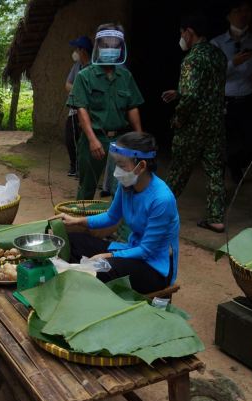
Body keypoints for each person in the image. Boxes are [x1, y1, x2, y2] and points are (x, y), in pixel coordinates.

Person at [55, 132, 179, 294]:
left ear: (141, 166)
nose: (117, 171)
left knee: (103, 268)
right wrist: (76, 221)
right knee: (70, 242)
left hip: (154, 267)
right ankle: (70, 286)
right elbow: (111, 216)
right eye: (116, 165)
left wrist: (108, 255)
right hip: (130, 249)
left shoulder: (162, 199)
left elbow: (147, 250)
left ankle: (83, 298)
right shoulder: (127, 185)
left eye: (122, 165)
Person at [162, 13, 227, 233]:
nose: (181, 38)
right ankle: (216, 217)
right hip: (215, 123)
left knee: (178, 171)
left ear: (188, 32)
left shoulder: (192, 59)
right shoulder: (219, 56)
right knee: (215, 171)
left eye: (182, 33)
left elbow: (191, 96)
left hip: (193, 125)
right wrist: (179, 92)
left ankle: (159, 211)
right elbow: (209, 89)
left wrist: (179, 118)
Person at [68, 23, 144, 200]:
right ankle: (82, 225)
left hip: (120, 140)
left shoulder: (125, 77)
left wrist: (139, 136)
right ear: (98, 47)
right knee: (87, 187)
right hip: (94, 139)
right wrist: (93, 140)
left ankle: (122, 228)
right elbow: (81, 109)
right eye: (106, 44)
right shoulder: (84, 76)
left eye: (115, 45)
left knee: (123, 188)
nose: (110, 48)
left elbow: (132, 106)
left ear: (121, 47)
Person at [211, 0, 252, 184]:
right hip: (225, 99)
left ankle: (235, 164)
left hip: (250, 96)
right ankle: (218, 183)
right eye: (238, 10)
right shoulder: (217, 43)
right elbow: (213, 74)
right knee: (222, 142)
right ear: (229, 15)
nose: (243, 14)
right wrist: (232, 63)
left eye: (247, 10)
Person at [64, 35, 93, 178]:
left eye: (77, 49)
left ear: (83, 51)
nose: (75, 52)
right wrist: (79, 88)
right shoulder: (76, 66)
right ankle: (74, 166)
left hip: (86, 110)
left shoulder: (94, 68)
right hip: (73, 109)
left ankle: (83, 169)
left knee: (83, 140)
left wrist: (78, 89)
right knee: (70, 138)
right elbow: (67, 85)